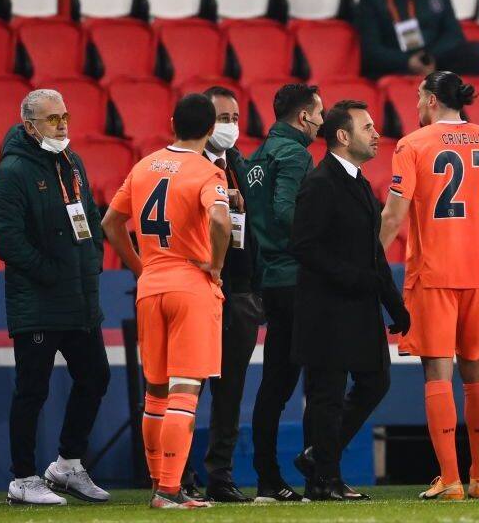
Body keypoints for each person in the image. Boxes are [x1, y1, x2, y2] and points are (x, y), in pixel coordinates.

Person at [380, 71, 479, 500]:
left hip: (433, 275)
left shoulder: (413, 145)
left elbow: (393, 217)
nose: (414, 107)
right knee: (477, 371)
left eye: (417, 98)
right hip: (477, 276)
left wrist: (368, 263)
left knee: (437, 373)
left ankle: (449, 479)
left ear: (431, 100)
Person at [101, 94, 232, 509]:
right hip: (190, 286)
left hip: (151, 285)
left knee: (155, 393)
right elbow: (220, 219)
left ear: (172, 121)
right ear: (212, 129)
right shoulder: (207, 171)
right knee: (185, 391)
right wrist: (215, 264)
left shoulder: (143, 166)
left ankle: (160, 483)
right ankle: (170, 491)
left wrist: (140, 266)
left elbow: (110, 222)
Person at [0, 89, 110, 506]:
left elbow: (90, 216)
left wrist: (93, 258)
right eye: (52, 118)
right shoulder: (12, 171)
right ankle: (22, 478)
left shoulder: (72, 162)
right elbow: (6, 239)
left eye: (65, 116)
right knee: (32, 390)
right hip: (38, 302)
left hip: (78, 298)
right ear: (29, 125)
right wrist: (51, 273)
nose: (62, 125)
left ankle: (67, 464)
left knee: (96, 377)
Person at [290, 100, 411, 501]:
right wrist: (354, 279)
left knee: (376, 381)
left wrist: (395, 304)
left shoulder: (358, 182)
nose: (377, 134)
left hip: (359, 308)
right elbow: (305, 246)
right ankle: (323, 478)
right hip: (327, 309)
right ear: (342, 136)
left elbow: (375, 254)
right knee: (325, 394)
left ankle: (317, 459)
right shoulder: (321, 182)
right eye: (367, 127)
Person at [180, 86, 262, 503]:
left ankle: (220, 476)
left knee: (230, 396)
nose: (229, 126)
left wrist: (252, 292)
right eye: (221, 118)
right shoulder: (187, 169)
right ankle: (178, 474)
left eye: (234, 118)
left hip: (240, 295)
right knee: (188, 387)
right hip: (199, 292)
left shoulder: (238, 165)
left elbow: (252, 232)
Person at [243, 83, 323, 502]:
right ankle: (315, 476)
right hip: (295, 280)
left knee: (274, 385)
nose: (323, 121)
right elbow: (285, 211)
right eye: (319, 113)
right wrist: (320, 245)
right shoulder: (296, 155)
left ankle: (267, 478)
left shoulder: (257, 157)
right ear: (303, 116)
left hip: (270, 280)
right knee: (316, 381)